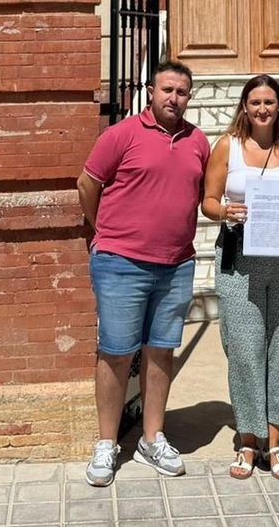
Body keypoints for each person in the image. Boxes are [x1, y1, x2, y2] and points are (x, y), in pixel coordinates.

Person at [77, 61, 212, 487]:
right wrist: (104, 233)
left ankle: (152, 438)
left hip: (176, 263)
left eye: (183, 92)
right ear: (151, 91)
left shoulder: (198, 141)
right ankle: (106, 443)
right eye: (168, 89)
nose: (175, 98)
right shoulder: (121, 135)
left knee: (161, 351)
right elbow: (87, 184)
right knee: (116, 352)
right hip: (121, 262)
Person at [201, 75, 279, 481]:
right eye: (255, 102)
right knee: (246, 349)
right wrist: (226, 212)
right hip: (240, 260)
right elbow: (209, 201)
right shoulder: (226, 147)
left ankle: (274, 443)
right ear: (244, 107)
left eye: (270, 102)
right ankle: (247, 440)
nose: (263, 109)